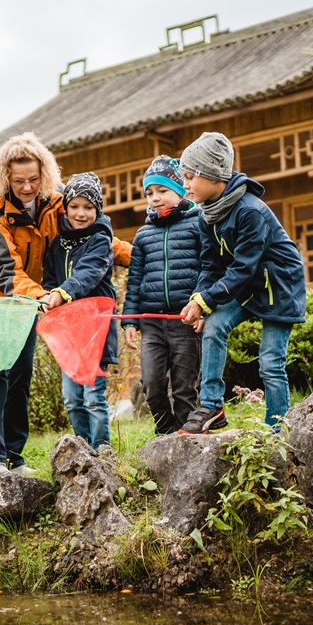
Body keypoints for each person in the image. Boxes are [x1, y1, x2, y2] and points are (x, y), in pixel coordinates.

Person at [0, 133, 130, 475]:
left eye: (34, 180)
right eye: (19, 180)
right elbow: (7, 272)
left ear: (45, 175)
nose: (26, 187)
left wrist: (144, 253)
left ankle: (14, 457)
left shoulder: (54, 204)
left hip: (34, 297)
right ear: (5, 177)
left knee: (21, 373)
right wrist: (42, 295)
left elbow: (92, 237)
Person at [177, 131, 307, 434]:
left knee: (270, 364)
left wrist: (206, 300)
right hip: (245, 286)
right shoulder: (206, 215)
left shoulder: (251, 212)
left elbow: (242, 268)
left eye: (188, 177)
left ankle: (277, 431)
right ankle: (211, 406)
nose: (184, 186)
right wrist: (199, 299)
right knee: (213, 327)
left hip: (278, 287)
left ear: (210, 175)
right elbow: (211, 264)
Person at [121, 156, 204, 435]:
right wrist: (130, 321)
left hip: (185, 320)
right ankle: (164, 434)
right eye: (149, 193)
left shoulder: (198, 225)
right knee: (152, 384)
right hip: (152, 323)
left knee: (184, 386)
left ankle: (186, 437)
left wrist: (203, 306)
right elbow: (134, 281)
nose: (155, 198)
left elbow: (208, 269)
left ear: (180, 191)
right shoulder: (143, 235)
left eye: (162, 191)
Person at [41, 172, 118, 450]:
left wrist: (64, 291)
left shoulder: (100, 241)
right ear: (66, 208)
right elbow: (49, 280)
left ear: (97, 209)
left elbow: (88, 273)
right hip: (68, 334)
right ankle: (83, 448)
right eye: (74, 206)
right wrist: (48, 295)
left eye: (88, 207)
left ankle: (101, 446)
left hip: (95, 330)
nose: (81, 213)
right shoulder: (57, 244)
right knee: (72, 398)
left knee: (93, 397)